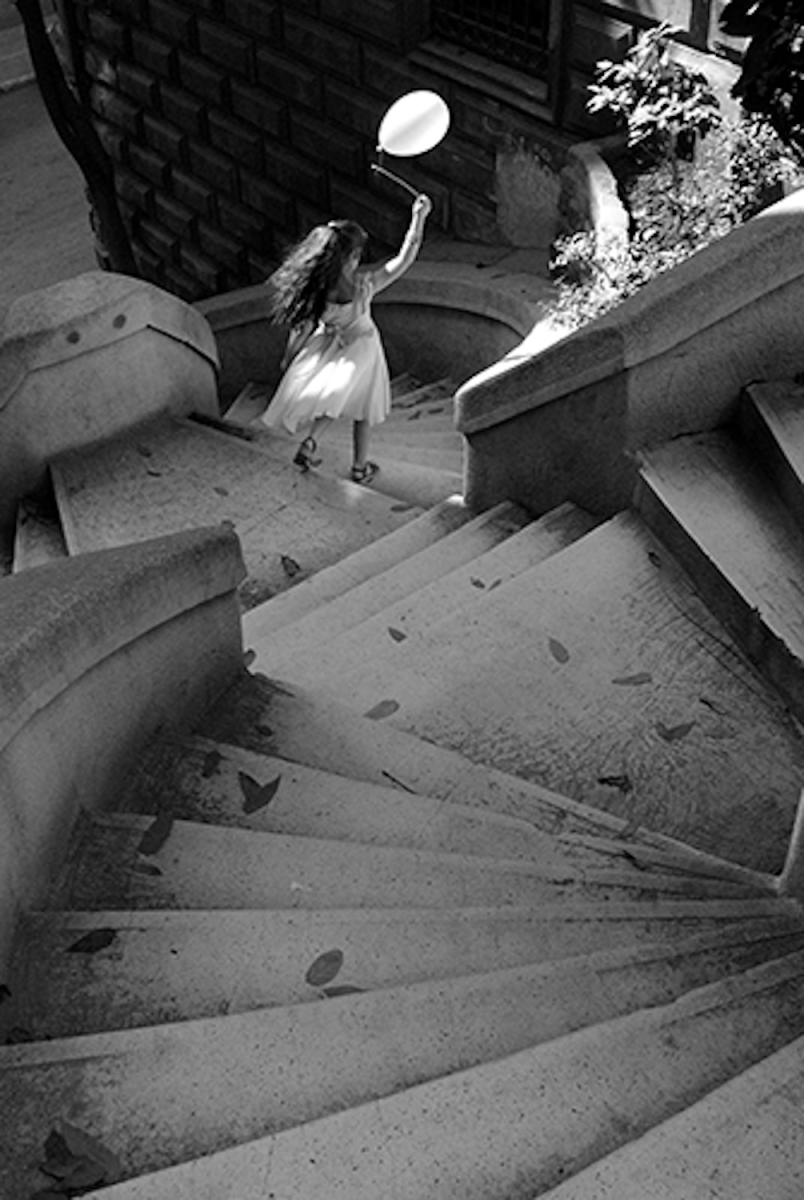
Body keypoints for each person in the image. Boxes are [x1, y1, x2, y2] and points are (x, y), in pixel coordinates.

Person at [258, 193, 432, 484]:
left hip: (329, 346)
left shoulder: (315, 293)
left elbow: (299, 330)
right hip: (363, 349)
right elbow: (404, 259)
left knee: (332, 399)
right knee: (363, 409)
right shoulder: (365, 287)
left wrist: (289, 359)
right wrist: (418, 217)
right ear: (352, 258)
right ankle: (359, 467)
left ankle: (312, 441)